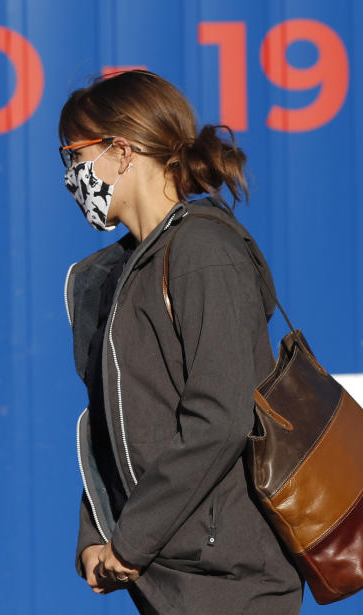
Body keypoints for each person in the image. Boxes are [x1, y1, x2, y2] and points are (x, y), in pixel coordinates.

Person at [59, 70, 304, 613]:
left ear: (122, 151)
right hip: (164, 579)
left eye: (74, 155)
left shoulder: (203, 251)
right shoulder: (118, 272)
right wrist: (96, 535)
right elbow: (115, 424)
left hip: (233, 582)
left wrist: (130, 541)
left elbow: (220, 418)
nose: (72, 175)